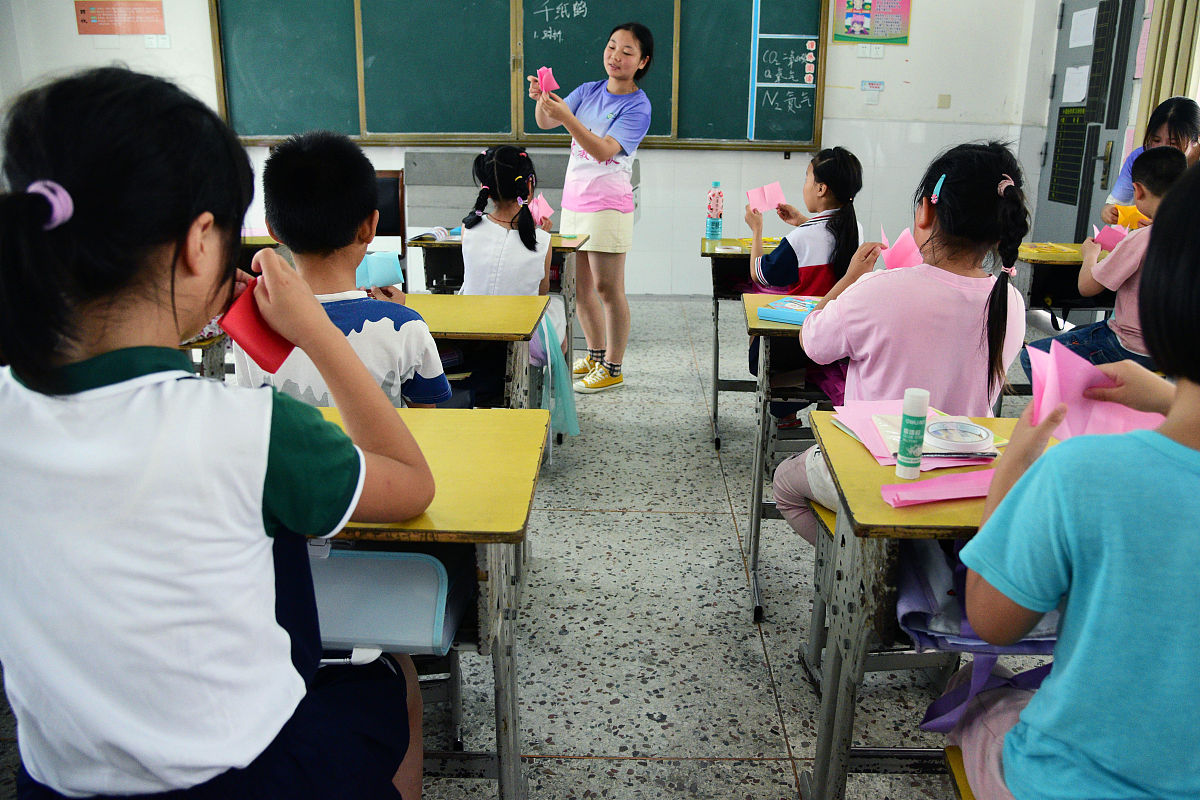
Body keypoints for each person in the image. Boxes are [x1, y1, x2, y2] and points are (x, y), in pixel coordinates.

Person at [0, 67, 431, 799]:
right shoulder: (249, 430)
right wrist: (317, 334)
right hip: (251, 780)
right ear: (203, 242)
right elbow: (409, 479)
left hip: (52, 787)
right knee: (392, 681)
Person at [948, 163, 1200, 799]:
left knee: (981, 712)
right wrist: (1172, 399)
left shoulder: (1083, 473)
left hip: (1074, 782)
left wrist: (1006, 478)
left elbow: (990, 618)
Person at [772, 142, 1028, 544]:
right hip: (963, 482)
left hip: (872, 475)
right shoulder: (1009, 301)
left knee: (785, 485)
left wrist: (848, 280)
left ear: (926, 211)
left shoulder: (877, 288)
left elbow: (813, 342)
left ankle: (850, 570)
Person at [233, 131, 451, 409]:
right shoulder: (406, 327)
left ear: (273, 229)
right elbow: (427, 427)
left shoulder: (249, 324)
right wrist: (397, 313)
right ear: (370, 226)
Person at [528, 21, 653, 393]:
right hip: (576, 203)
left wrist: (567, 117)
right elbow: (545, 122)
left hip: (609, 206)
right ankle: (596, 355)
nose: (616, 56)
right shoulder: (588, 90)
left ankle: (614, 366)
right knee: (580, 289)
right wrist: (544, 101)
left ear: (642, 62)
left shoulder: (638, 106)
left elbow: (601, 151)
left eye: (627, 51)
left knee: (608, 288)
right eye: (612, 46)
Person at [1021, 146, 1187, 378]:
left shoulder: (1141, 239)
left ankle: (1067, 412)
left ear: (1137, 191)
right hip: (1175, 351)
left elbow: (1087, 287)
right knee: (1082, 334)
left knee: (1034, 356)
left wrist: (1089, 255)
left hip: (1130, 347)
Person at [460, 145, 578, 434]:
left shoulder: (468, 230)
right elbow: (538, 297)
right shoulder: (541, 241)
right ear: (528, 185)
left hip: (470, 335)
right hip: (519, 340)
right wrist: (541, 234)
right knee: (557, 308)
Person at [743, 146, 863, 422]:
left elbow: (760, 273)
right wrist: (802, 222)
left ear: (821, 189)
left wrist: (757, 230)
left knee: (758, 340)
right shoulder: (855, 231)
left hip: (798, 344)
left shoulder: (800, 240)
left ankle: (785, 417)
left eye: (807, 179)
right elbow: (825, 237)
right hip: (839, 345)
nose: (805, 186)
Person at [1100, 95, 1200, 225]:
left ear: (1195, 139)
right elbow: (1116, 204)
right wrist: (1109, 212)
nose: (1162, 148)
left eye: (1173, 143)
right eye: (1156, 140)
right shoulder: (1141, 158)